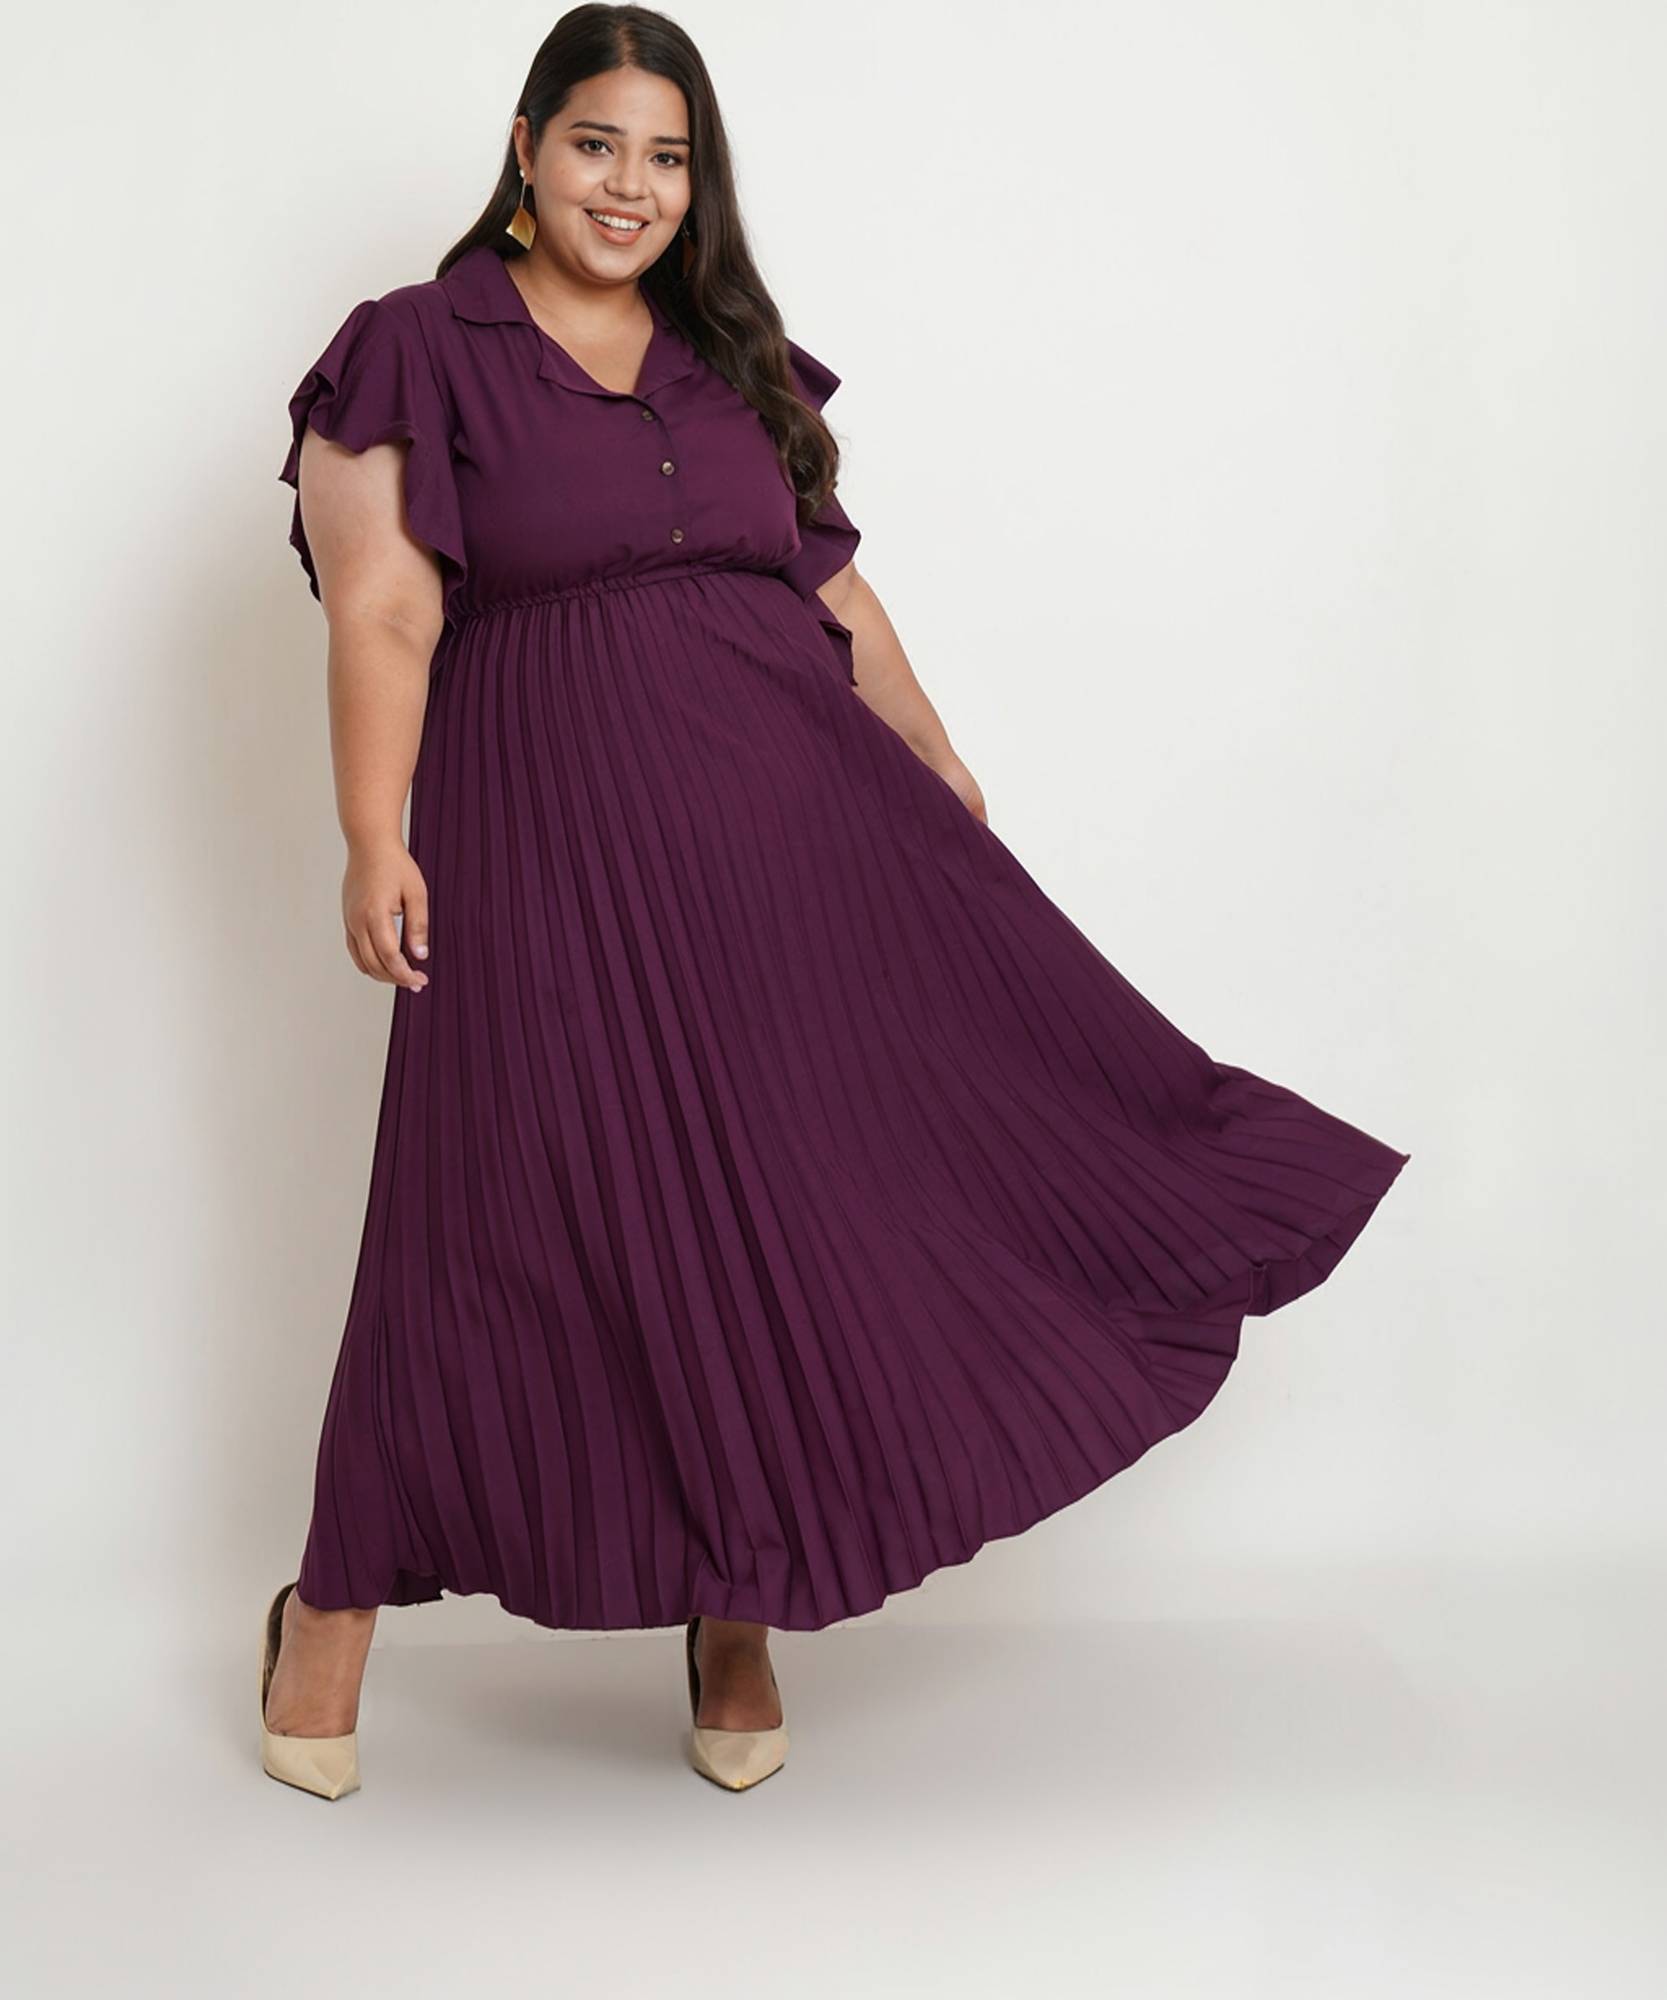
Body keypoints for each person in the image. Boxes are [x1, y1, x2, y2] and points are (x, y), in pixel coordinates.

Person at [260, 4, 1411, 1801]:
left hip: (794, 854)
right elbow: (386, 610)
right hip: (547, 848)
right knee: (480, 1218)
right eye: (596, 144)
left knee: (797, 1213)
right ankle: (328, 1612)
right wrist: (369, 831)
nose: (630, 187)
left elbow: (835, 597)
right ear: (526, 146)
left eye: (668, 157)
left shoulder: (733, 356)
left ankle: (742, 1606)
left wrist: (936, 765)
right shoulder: (416, 346)